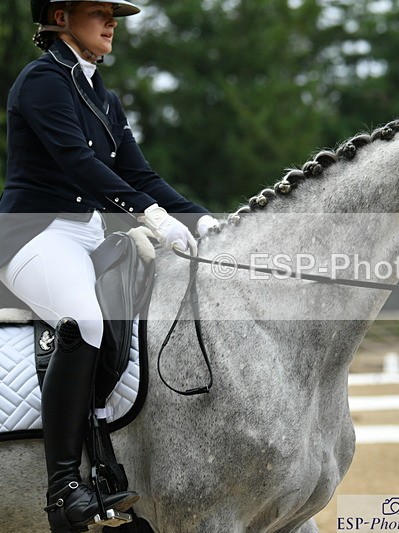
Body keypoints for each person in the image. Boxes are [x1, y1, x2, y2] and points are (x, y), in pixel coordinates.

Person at [0, 2, 218, 530]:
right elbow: (80, 163)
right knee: (85, 323)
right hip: (34, 236)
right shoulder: (42, 81)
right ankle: (63, 489)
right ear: (59, 16)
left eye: (113, 13)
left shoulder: (103, 95)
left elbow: (139, 173)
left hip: (89, 238)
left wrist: (201, 220)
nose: (112, 22)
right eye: (99, 12)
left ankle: (110, 468)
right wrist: (153, 217)